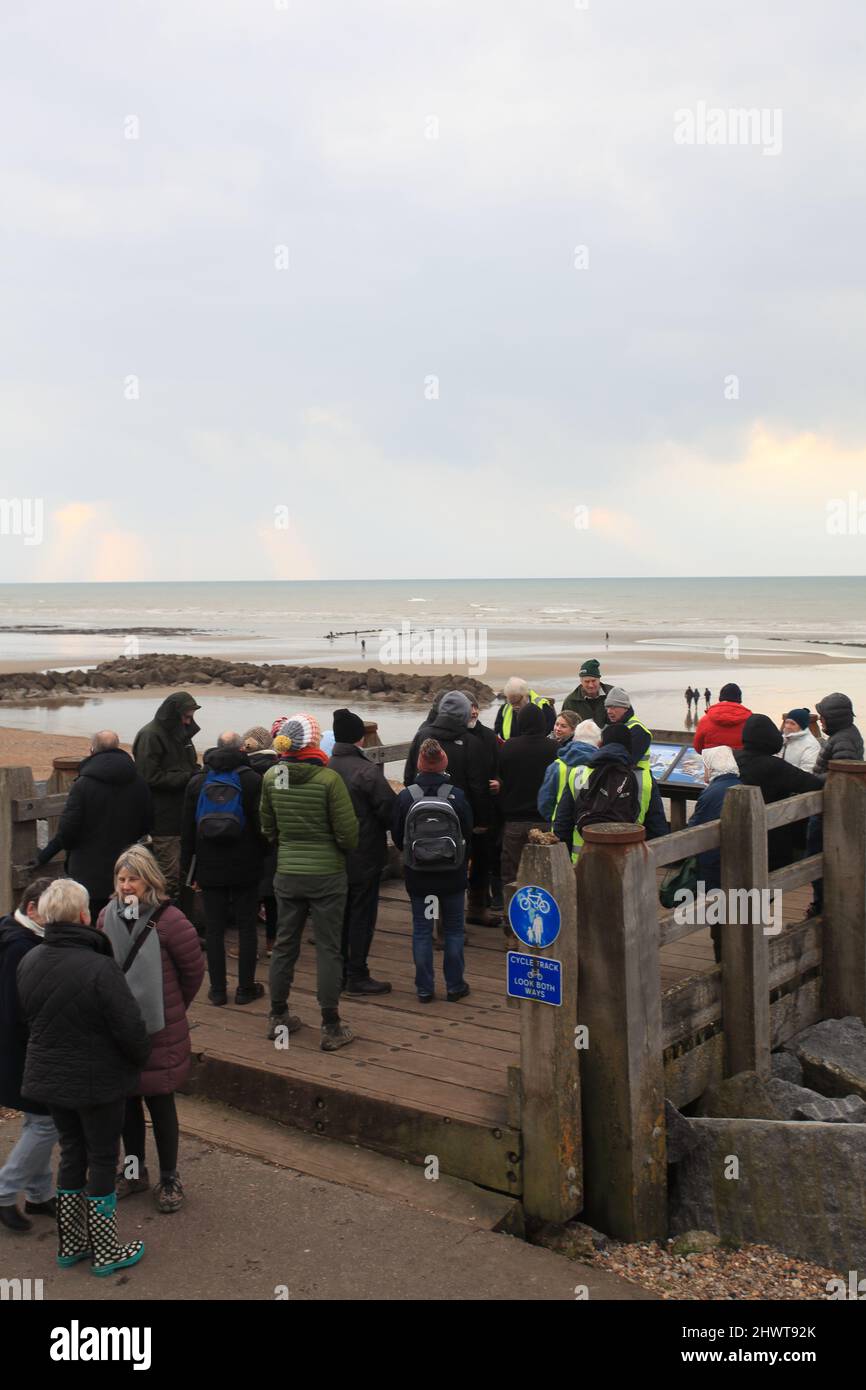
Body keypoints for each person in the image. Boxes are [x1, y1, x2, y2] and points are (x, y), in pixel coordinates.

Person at [16, 878, 151, 1277]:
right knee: (103, 1156)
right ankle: (107, 1250)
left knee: (72, 1152)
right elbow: (129, 1027)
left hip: (51, 1078)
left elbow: (32, 1018)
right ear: (81, 915)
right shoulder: (99, 966)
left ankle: (71, 1243)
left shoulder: (29, 961)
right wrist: (139, 1057)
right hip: (98, 1081)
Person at [99, 846, 203, 1213]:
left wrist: (171, 1007)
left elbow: (193, 972)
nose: (126, 886)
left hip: (160, 1029)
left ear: (149, 881)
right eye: (121, 879)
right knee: (128, 1105)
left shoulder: (171, 921)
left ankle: (170, 1177)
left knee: (161, 1104)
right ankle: (133, 1171)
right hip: (120, 1029)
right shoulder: (105, 916)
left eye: (133, 879)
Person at [261, 714, 359, 1051]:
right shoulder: (328, 780)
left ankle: (278, 1015)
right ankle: (331, 1025)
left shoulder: (274, 776)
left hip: (288, 872)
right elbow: (348, 835)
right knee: (329, 948)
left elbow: (268, 827)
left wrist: (288, 844)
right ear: (314, 743)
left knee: (285, 945)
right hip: (327, 875)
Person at [181, 731, 267, 1006]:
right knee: (246, 927)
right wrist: (263, 857)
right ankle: (245, 988)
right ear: (242, 749)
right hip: (245, 864)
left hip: (209, 865)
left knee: (215, 929)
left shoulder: (197, 782)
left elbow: (187, 832)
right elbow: (262, 826)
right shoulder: (253, 780)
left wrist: (189, 871)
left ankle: (217, 990)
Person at [36, 732, 152, 922]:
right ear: (118, 747)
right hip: (128, 873)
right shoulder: (139, 781)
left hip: (88, 873)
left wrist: (44, 855)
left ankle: (95, 950)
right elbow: (147, 823)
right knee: (130, 923)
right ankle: (124, 952)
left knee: (91, 925)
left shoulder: (83, 784)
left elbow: (67, 832)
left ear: (92, 750)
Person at [392, 739, 472, 1003]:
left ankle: (425, 989)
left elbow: (396, 833)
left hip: (420, 876)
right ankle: (454, 985)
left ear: (420, 763)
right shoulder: (456, 796)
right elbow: (467, 833)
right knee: (453, 930)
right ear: (444, 762)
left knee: (422, 930)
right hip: (451, 875)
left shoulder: (407, 796)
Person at [0, 877, 57, 1234]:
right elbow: (19, 1009)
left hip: (14, 1048)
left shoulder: (11, 933)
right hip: (21, 1049)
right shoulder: (21, 948)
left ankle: (39, 1193)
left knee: (38, 1120)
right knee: (46, 1121)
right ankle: (5, 1192)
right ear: (34, 909)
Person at [328, 707, 396, 994]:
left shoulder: (327, 768)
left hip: (333, 855)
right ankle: (357, 973)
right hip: (363, 854)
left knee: (338, 915)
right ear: (360, 738)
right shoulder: (366, 771)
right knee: (362, 915)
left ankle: (339, 971)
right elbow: (389, 810)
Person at [554, 725, 667, 863]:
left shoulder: (579, 774)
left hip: (583, 864)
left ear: (600, 745)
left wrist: (564, 864)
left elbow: (563, 823)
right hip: (629, 864)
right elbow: (657, 828)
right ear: (629, 748)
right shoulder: (643, 779)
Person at [733, 714, 823, 870]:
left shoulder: (733, 758)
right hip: (770, 837)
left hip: (735, 832)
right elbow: (812, 783)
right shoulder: (775, 766)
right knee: (770, 883)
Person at [133, 693, 201, 899]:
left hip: (184, 814)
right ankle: (162, 923)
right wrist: (189, 777)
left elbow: (188, 765)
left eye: (191, 717)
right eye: (186, 717)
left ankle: (181, 921)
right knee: (169, 876)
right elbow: (149, 776)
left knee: (185, 873)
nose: (189, 721)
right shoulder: (150, 735)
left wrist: (197, 773)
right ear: (173, 714)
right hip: (165, 817)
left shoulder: (181, 734)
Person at [805, 694, 864, 915]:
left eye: (823, 716)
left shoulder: (843, 739)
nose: (820, 720)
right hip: (832, 807)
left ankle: (822, 906)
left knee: (816, 857)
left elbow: (840, 774)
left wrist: (810, 782)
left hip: (829, 810)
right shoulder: (844, 735)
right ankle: (823, 903)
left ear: (834, 718)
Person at [404, 691, 490, 827]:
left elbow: (409, 776)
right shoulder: (472, 743)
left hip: (421, 814)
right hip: (460, 814)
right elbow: (479, 787)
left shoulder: (421, 736)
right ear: (464, 714)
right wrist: (482, 821)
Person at [687, 746, 740, 963]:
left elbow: (695, 827)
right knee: (741, 913)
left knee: (719, 918)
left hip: (715, 865)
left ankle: (724, 963)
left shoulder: (711, 793)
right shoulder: (742, 785)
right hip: (740, 863)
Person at [495, 703, 558, 885]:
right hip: (545, 821)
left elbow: (501, 780)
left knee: (513, 876)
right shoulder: (554, 749)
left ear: (520, 723)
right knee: (546, 875)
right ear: (542, 723)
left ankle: (512, 912)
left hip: (515, 821)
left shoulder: (508, 748)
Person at [242, 726, 280, 954]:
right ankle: (272, 942)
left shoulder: (243, 770)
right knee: (272, 895)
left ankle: (248, 945)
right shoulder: (279, 770)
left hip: (249, 840)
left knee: (248, 896)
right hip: (273, 839)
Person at [466, 698, 501, 926]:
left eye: (476, 707)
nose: (474, 711)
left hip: (484, 807)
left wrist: (500, 782)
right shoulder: (451, 735)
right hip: (459, 806)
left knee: (482, 858)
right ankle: (450, 916)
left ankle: (477, 908)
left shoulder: (488, 737)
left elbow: (500, 766)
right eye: (470, 708)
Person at [537, 718, 602, 825]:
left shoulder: (557, 766)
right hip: (593, 832)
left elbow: (544, 803)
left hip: (561, 832)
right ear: (599, 743)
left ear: (574, 738)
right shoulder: (604, 766)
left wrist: (556, 819)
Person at [693, 683, 752, 753]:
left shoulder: (705, 720)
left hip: (713, 762)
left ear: (721, 697)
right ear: (739, 698)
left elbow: (698, 747)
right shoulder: (751, 721)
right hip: (741, 762)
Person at [603, 687, 652, 770]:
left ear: (625, 708)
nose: (609, 711)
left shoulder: (638, 731)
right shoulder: (610, 728)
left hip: (638, 781)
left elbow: (626, 762)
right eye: (607, 707)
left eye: (613, 707)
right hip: (617, 780)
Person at [563, 660, 612, 728]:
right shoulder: (571, 701)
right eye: (587, 681)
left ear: (599, 679)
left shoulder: (612, 694)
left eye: (593, 681)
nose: (591, 685)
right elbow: (565, 726)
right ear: (581, 681)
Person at [777, 708, 821, 773]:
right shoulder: (783, 738)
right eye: (787, 722)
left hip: (796, 780)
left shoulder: (811, 745)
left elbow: (807, 771)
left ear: (802, 726)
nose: (788, 726)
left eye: (792, 724)